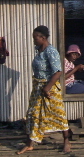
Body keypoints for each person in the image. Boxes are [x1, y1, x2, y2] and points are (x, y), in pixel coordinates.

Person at [17, 25, 71, 155]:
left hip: (50, 88)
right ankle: (29, 144)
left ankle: (66, 141)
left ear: (43, 37)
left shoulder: (51, 51)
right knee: (33, 114)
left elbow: (58, 72)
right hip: (38, 88)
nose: (34, 40)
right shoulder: (39, 50)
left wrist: (47, 88)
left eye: (35, 37)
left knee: (59, 114)